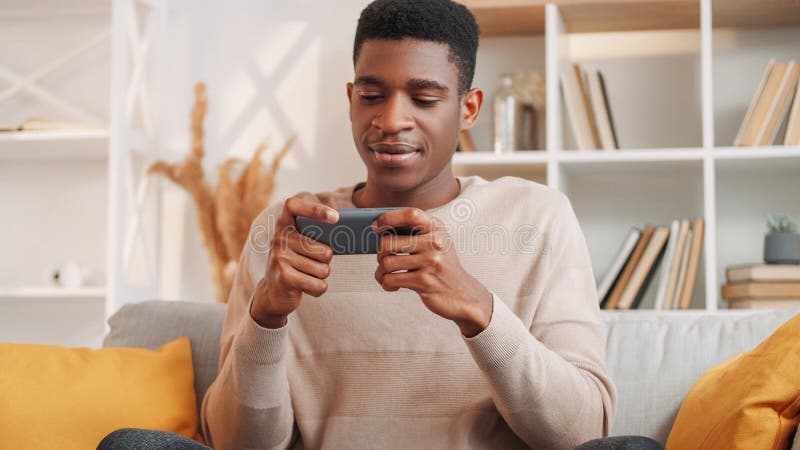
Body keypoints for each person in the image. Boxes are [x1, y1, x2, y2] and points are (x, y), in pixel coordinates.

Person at [99, 1, 665, 449]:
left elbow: (585, 432)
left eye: (424, 97)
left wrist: (478, 309)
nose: (391, 120)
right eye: (372, 94)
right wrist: (265, 317)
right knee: (130, 446)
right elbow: (239, 444)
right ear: (351, 99)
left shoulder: (537, 218)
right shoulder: (287, 228)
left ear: (468, 109)